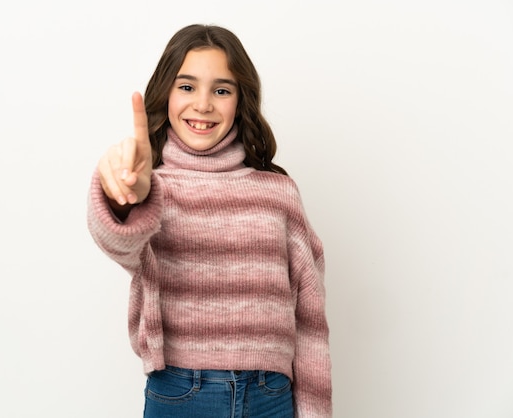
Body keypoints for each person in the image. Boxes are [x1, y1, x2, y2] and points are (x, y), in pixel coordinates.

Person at [87, 23, 332, 418]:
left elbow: (309, 316)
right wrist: (122, 197)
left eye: (221, 90)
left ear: (241, 100)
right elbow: (120, 242)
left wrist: (316, 412)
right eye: (186, 87)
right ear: (165, 93)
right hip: (181, 393)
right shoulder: (152, 188)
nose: (203, 104)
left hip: (271, 397)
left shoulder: (278, 192)